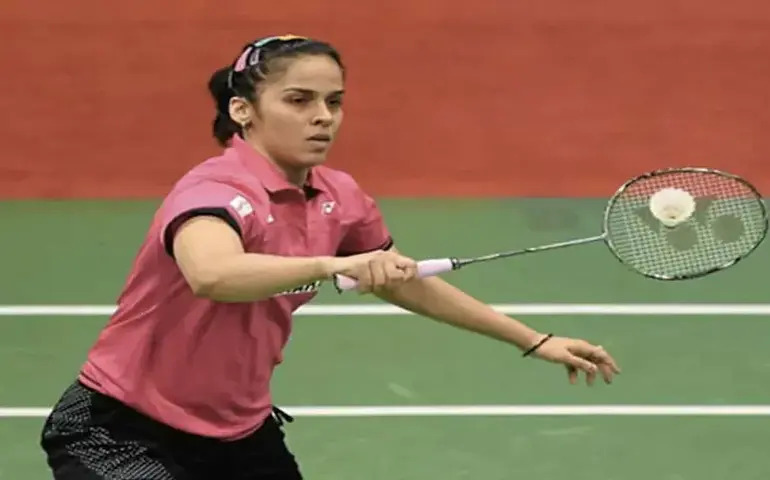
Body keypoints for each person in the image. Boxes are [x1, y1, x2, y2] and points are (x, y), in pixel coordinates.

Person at [39, 35, 621, 480]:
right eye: (299, 100)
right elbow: (212, 273)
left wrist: (533, 339)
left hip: (238, 434)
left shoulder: (337, 197)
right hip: (121, 429)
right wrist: (331, 265)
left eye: (334, 101)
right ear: (242, 110)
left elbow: (399, 279)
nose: (323, 116)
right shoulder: (215, 190)